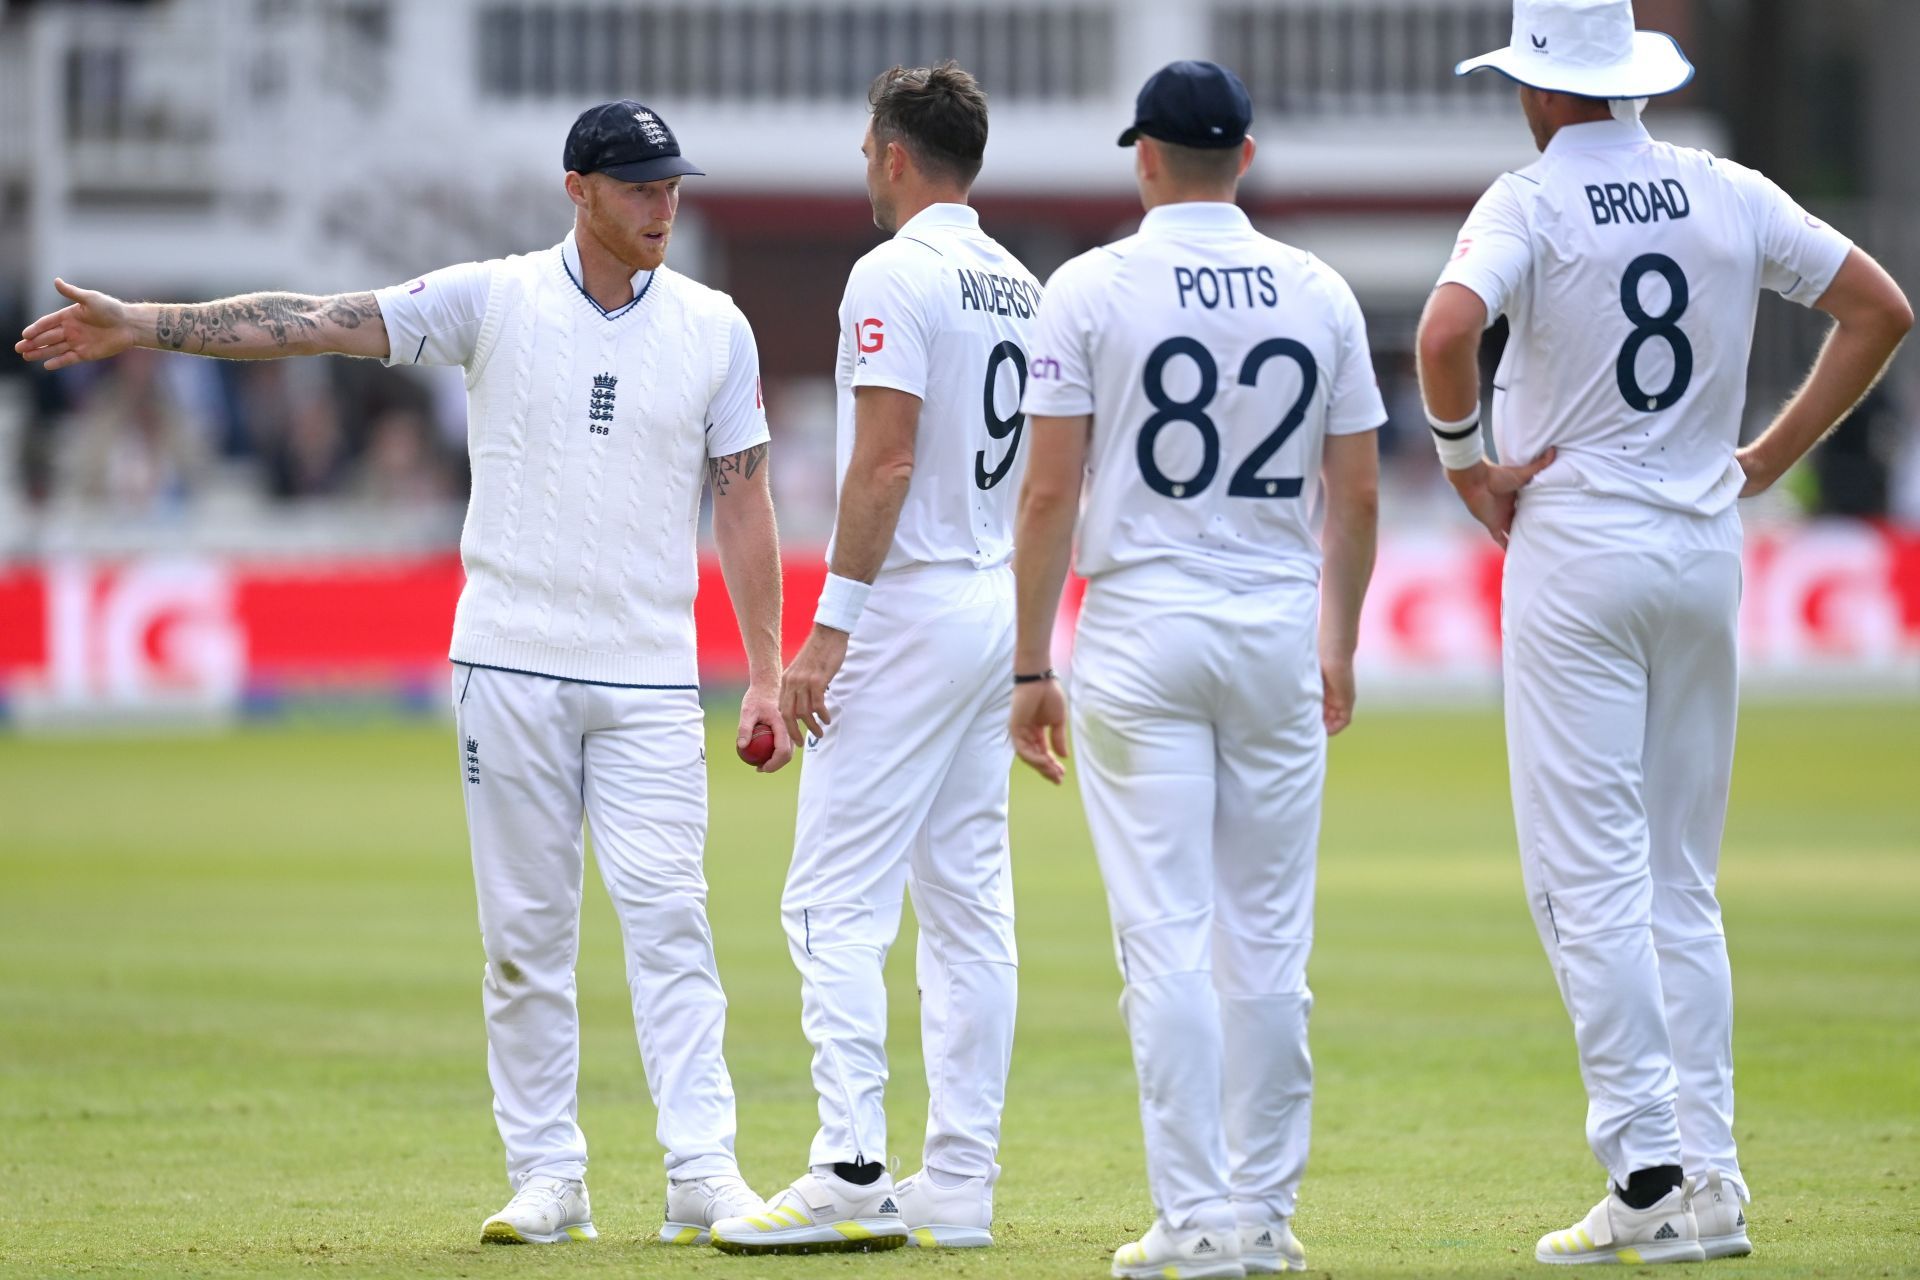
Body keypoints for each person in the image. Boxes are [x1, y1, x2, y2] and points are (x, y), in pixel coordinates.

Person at [15, 99, 793, 1248]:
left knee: (671, 918)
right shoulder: (494, 296)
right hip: (508, 661)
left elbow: (744, 496)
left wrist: (767, 669)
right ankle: (548, 1175)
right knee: (524, 934)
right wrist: (147, 322)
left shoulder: (718, 326)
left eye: (671, 184)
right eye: (638, 186)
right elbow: (316, 321)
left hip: (650, 675)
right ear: (577, 188)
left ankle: (703, 1170)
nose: (663, 205)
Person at [1416, 0, 1913, 1265]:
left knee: (1585, 879)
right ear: (1630, 82)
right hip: (1700, 549)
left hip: (1578, 546)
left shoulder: (1525, 201)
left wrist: (1471, 467)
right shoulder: (1722, 187)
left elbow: (1443, 332)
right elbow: (1879, 309)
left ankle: (1646, 1171)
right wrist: (1763, 458)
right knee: (1680, 885)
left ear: (1538, 86)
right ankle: (1714, 1179)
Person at [1010, 60, 1384, 1280]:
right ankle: (1266, 1216)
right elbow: (1358, 488)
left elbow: (1052, 491)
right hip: (1276, 617)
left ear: (1146, 156)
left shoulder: (1089, 287)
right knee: (1270, 942)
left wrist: (1029, 662)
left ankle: (1197, 1216)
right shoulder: (1318, 287)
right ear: (1250, 154)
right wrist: (1339, 636)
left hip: (1141, 623)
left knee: (1164, 937)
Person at [711, 62, 1037, 1256]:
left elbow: (885, 461)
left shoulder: (893, 272)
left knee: (828, 897)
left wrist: (826, 634)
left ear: (896, 155)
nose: (862, 166)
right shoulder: (1019, 282)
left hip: (906, 604)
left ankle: (851, 1166)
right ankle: (959, 1181)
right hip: (990, 591)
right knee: (967, 904)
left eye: (866, 148)